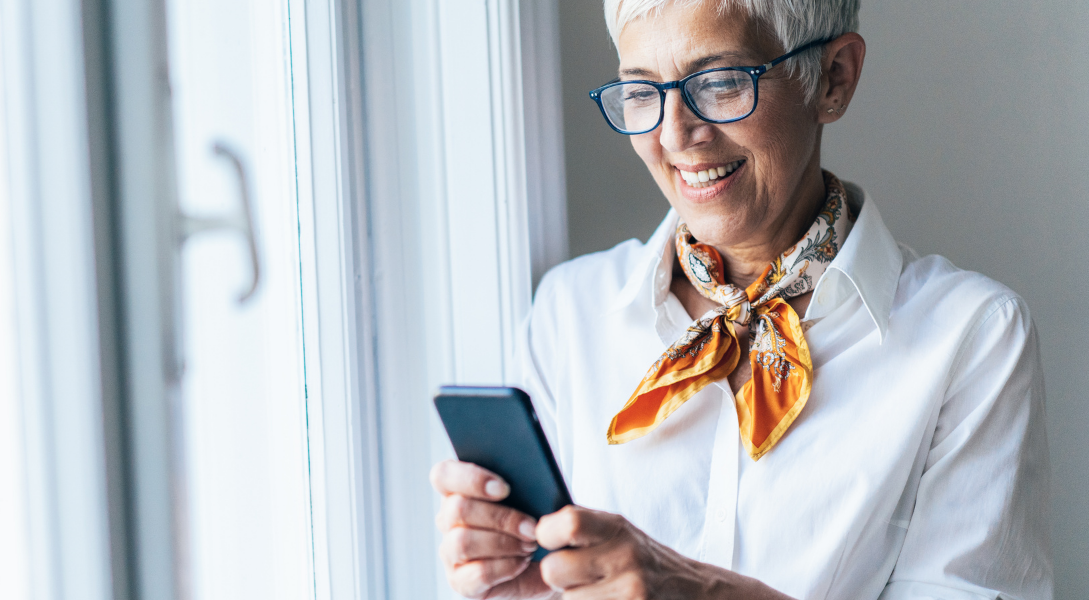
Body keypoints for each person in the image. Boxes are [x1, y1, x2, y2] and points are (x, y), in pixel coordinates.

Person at [429, 0, 1053, 598]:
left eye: (721, 81)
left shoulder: (973, 338)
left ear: (834, 79)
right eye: (643, 91)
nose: (676, 136)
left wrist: (703, 596)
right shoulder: (567, 315)